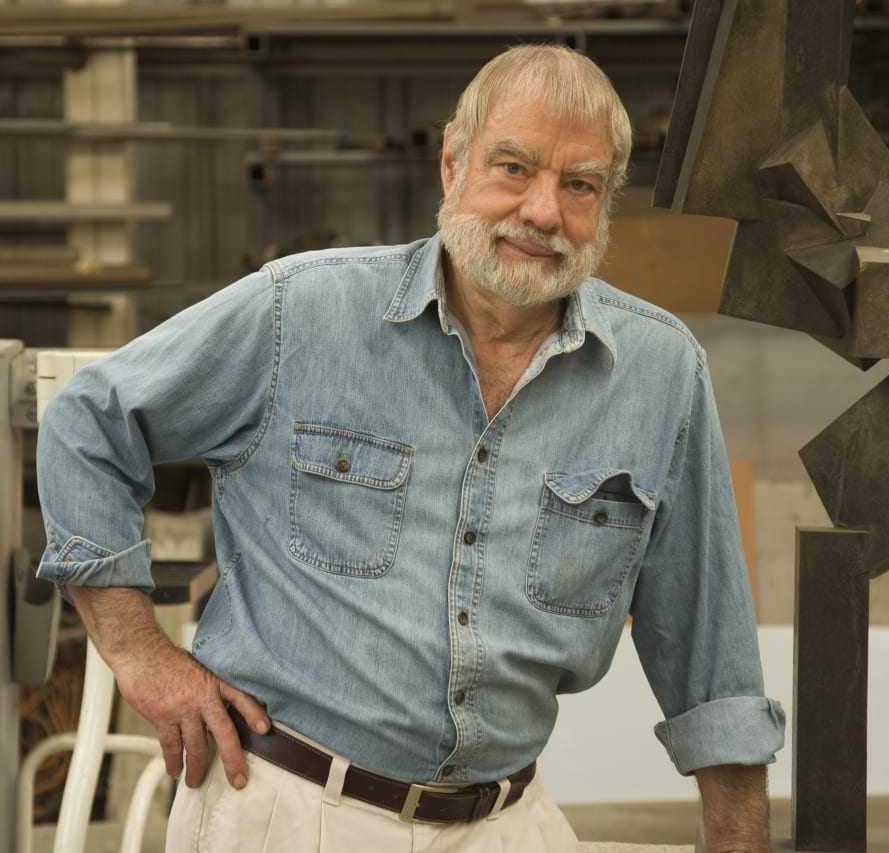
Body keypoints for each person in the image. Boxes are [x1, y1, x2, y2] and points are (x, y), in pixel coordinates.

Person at [36, 44, 785, 853]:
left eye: (580, 185)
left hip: (505, 825)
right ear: (453, 164)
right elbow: (88, 421)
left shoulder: (660, 372)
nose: (543, 211)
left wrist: (738, 839)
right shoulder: (302, 312)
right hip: (286, 812)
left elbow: (710, 647)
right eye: (514, 168)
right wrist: (138, 652)